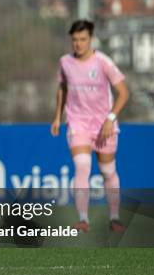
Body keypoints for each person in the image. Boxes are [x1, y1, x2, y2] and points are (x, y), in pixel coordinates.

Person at [51, 19, 130, 233]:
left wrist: (111, 118)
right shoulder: (65, 62)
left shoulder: (103, 62)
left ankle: (114, 217)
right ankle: (83, 220)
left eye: (83, 39)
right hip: (77, 123)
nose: (78, 44)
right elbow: (62, 88)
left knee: (107, 171)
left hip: (104, 124)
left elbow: (124, 92)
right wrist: (58, 117)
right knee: (82, 166)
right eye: (75, 39)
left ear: (91, 39)